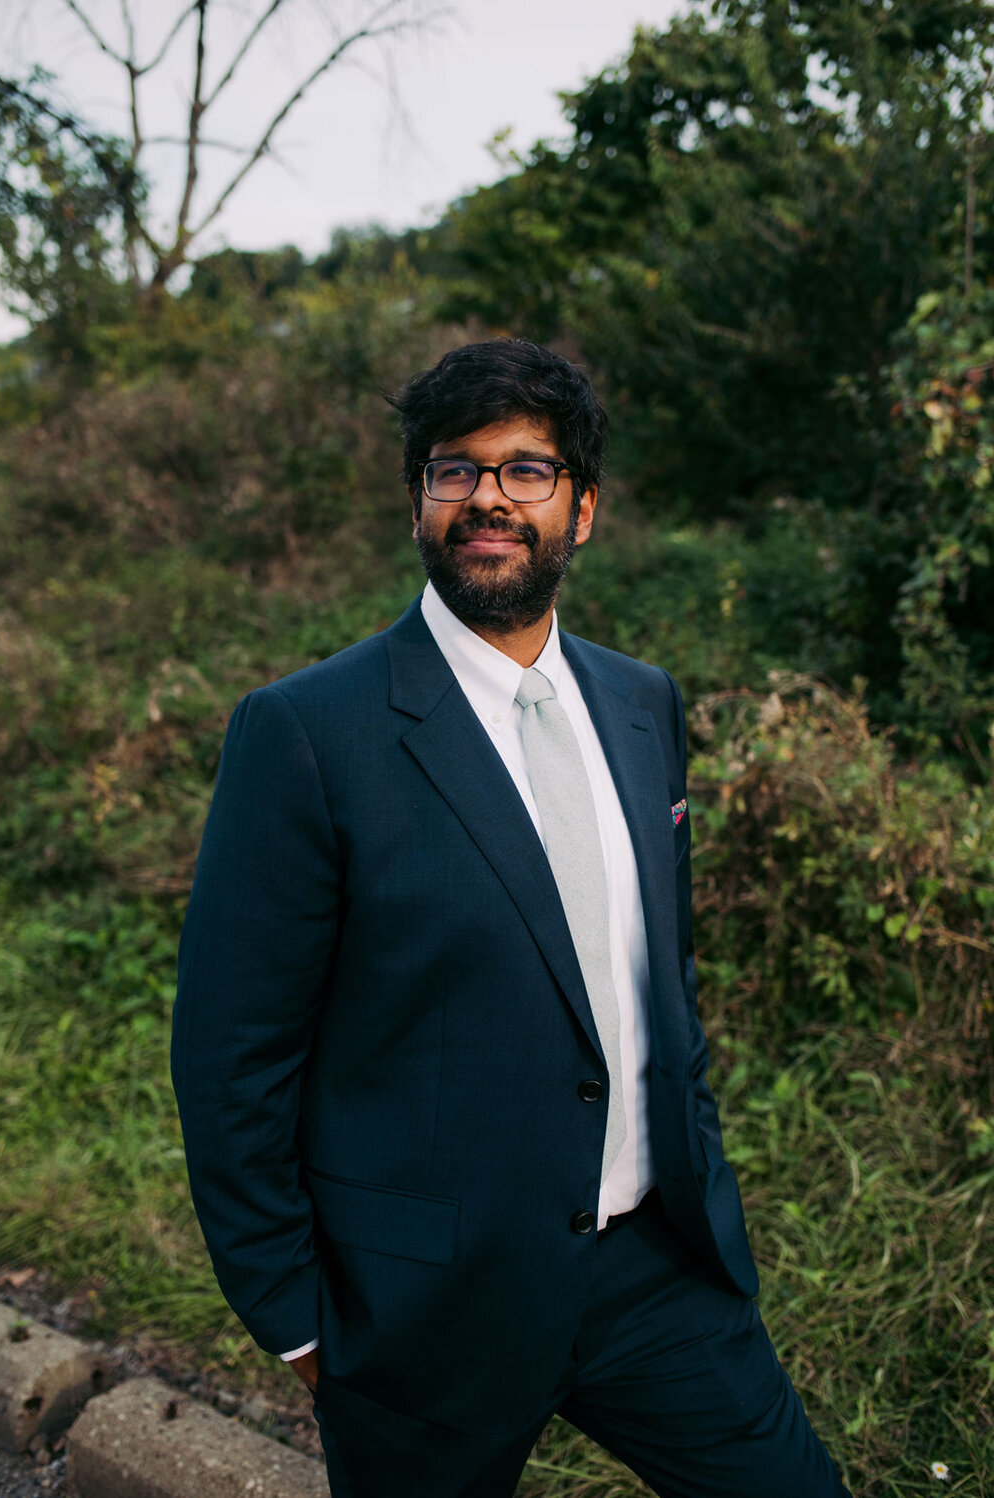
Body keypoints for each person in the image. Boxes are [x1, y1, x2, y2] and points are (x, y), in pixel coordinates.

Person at [171, 339, 851, 1497]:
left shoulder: (641, 703)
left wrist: (698, 1169)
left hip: (652, 1267)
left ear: (582, 509)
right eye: (454, 469)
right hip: (423, 1306)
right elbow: (231, 1052)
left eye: (527, 469)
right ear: (420, 502)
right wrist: (295, 1317)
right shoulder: (306, 733)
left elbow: (655, 979)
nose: (487, 494)